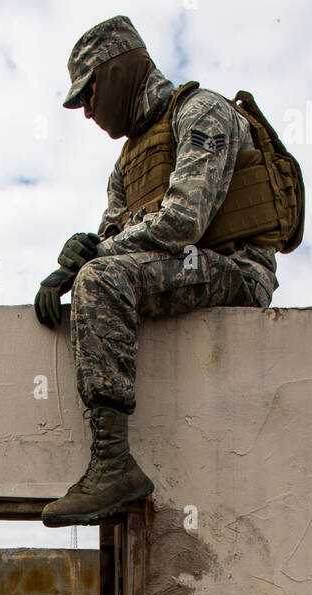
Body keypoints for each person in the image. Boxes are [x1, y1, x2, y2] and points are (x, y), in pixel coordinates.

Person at [35, 15, 281, 527]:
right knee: (93, 274)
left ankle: (113, 464)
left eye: (89, 94)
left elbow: (183, 221)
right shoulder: (126, 164)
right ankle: (111, 465)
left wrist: (95, 263)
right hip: (184, 265)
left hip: (235, 271)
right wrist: (72, 263)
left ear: (119, 71)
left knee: (102, 279)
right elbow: (110, 238)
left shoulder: (201, 111)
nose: (86, 112)